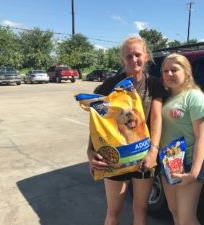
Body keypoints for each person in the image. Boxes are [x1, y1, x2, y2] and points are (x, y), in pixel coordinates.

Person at [87, 36, 168, 225]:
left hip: (143, 157)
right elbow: (97, 123)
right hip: (115, 156)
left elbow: (156, 119)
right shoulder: (109, 86)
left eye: (138, 55)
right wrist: (90, 151)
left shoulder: (154, 84)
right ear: (122, 60)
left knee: (141, 209)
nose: (134, 60)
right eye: (128, 56)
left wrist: (153, 152)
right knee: (113, 211)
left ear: (146, 57)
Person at [160, 53, 204, 225]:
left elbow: (202, 137)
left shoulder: (195, 97)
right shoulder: (167, 98)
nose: (169, 74)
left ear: (187, 72)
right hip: (168, 163)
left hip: (188, 163)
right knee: (174, 211)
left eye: (174, 69)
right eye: (165, 71)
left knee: (186, 219)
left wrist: (193, 173)